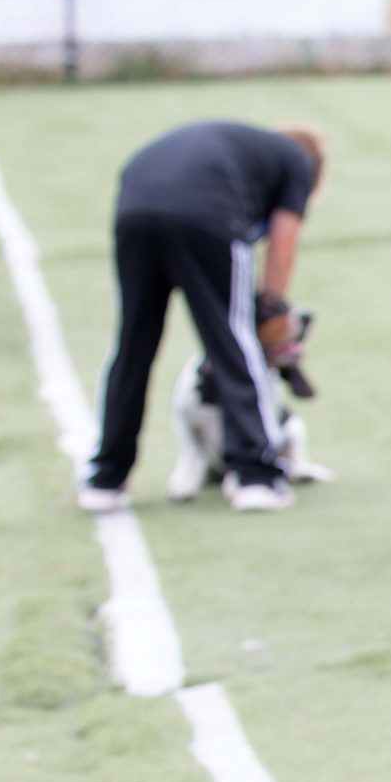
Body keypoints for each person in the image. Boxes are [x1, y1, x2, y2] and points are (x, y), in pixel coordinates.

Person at [77, 121, 323, 514]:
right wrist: (270, 306)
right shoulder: (297, 160)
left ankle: (106, 479)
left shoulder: (239, 148)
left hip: (134, 210)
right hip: (207, 214)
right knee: (234, 339)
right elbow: (283, 241)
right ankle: (256, 475)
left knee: (134, 345)